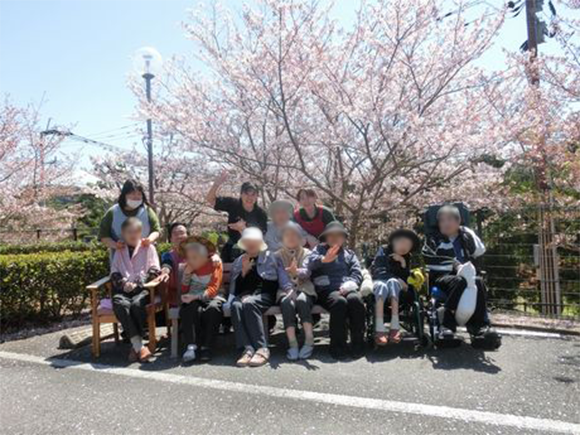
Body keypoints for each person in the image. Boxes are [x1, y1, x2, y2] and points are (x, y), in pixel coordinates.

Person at [422, 204, 500, 345]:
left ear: (458, 221)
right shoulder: (433, 239)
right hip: (442, 276)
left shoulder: (465, 236)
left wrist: (468, 232)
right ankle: (447, 322)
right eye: (441, 220)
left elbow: (479, 250)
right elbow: (428, 258)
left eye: (449, 219)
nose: (445, 223)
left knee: (478, 281)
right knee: (460, 281)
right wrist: (455, 265)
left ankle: (480, 326)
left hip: (466, 274)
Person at [230, 227, 290, 367]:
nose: (251, 244)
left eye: (254, 241)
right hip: (245, 296)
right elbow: (236, 288)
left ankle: (262, 348)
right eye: (248, 241)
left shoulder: (271, 257)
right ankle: (247, 348)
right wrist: (244, 272)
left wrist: (252, 295)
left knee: (250, 303)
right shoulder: (239, 260)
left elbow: (272, 283)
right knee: (236, 305)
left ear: (260, 243)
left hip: (265, 295)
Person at [305, 221, 365, 360]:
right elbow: (310, 265)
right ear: (325, 237)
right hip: (326, 289)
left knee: (355, 300)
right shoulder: (319, 250)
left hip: (346, 286)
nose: (335, 238)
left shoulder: (349, 254)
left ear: (344, 238)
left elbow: (356, 272)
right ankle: (338, 345)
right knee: (339, 302)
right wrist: (324, 260)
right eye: (331, 235)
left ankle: (358, 342)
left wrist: (350, 284)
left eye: (339, 235)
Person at [110, 217, 161, 363]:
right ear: (123, 234)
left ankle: (135, 346)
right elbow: (114, 272)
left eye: (136, 231)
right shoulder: (120, 250)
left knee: (137, 304)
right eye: (129, 232)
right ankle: (140, 346)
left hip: (143, 289)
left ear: (140, 233)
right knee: (120, 304)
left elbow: (154, 269)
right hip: (124, 290)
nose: (133, 235)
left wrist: (138, 283)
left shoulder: (148, 247)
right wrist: (124, 283)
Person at [178, 236, 224, 363]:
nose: (191, 260)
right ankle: (191, 346)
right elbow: (184, 290)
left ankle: (207, 347)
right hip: (194, 296)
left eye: (195, 257)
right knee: (188, 308)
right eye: (189, 257)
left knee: (213, 309)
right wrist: (187, 274)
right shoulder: (189, 267)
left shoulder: (215, 263)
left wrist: (195, 296)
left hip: (214, 296)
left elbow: (214, 289)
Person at [371, 229, 420, 346]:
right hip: (380, 281)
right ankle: (379, 328)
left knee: (393, 282)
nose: (404, 247)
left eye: (408, 245)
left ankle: (395, 326)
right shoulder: (383, 250)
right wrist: (396, 278)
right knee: (384, 285)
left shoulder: (407, 257)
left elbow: (406, 279)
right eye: (401, 242)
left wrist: (403, 263)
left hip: (396, 288)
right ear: (394, 242)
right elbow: (378, 270)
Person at [275, 222, 316, 360]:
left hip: (305, 287)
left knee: (302, 300)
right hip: (284, 289)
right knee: (287, 303)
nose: (291, 237)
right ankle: (293, 344)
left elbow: (307, 271)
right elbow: (281, 275)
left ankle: (309, 340)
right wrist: (288, 289)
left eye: (294, 235)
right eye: (287, 235)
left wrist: (296, 271)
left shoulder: (307, 253)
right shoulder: (278, 255)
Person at [206, 171, 268, 262]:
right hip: (232, 249)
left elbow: (261, 236)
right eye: (246, 194)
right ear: (241, 194)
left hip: (252, 251)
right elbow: (210, 199)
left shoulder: (261, 214)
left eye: (253, 194)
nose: (249, 198)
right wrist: (216, 184)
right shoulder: (233, 204)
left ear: (257, 196)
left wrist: (243, 229)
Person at [99, 179, 161, 255]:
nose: (136, 197)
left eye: (139, 194)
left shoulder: (147, 210)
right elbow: (103, 235)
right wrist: (115, 245)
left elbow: (156, 230)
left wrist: (149, 240)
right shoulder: (112, 212)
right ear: (124, 195)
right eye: (133, 194)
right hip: (120, 257)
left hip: (144, 255)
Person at [159, 223, 189, 305]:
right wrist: (165, 272)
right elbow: (167, 264)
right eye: (175, 234)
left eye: (182, 233)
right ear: (171, 239)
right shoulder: (167, 255)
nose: (179, 236)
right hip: (175, 296)